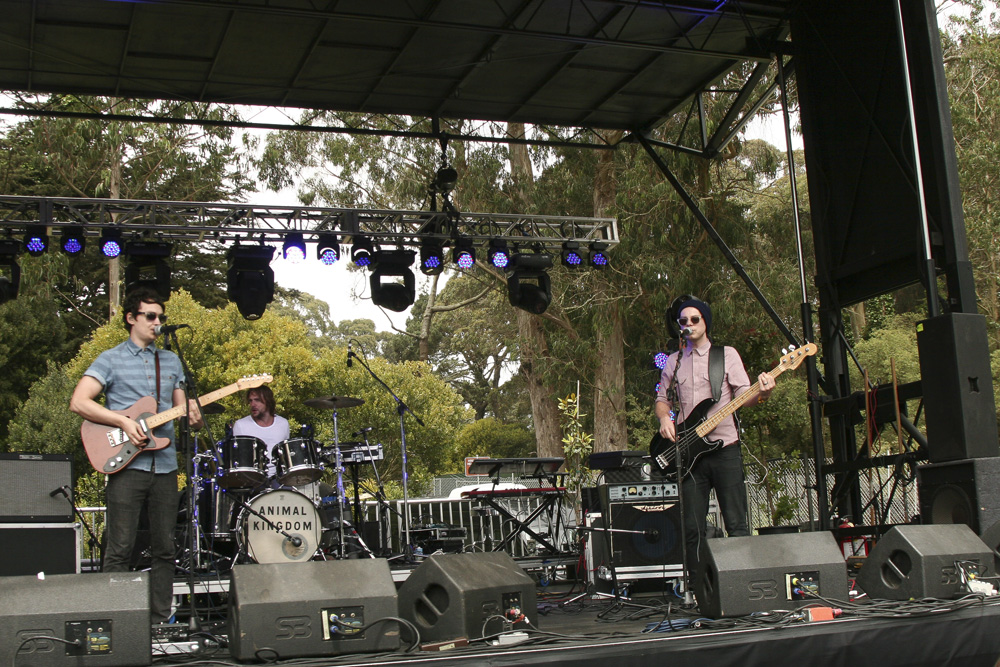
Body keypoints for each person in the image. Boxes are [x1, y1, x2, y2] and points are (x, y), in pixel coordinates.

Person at [70, 288, 204, 624]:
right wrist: (122, 421)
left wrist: (194, 415)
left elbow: (182, 411)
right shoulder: (110, 358)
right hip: (126, 465)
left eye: (161, 317)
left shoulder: (171, 361)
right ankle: (115, 621)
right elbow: (79, 402)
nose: (157, 322)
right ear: (131, 318)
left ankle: (159, 621)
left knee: (165, 548)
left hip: (165, 465)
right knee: (120, 547)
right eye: (150, 316)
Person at [654, 297, 774, 577]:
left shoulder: (726, 355)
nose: (689, 324)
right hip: (688, 454)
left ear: (705, 322)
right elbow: (662, 399)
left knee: (736, 523)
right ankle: (699, 588)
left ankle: (742, 583)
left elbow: (744, 396)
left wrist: (763, 393)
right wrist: (664, 419)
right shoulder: (673, 361)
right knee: (692, 528)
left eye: (695, 319)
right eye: (684, 321)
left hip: (724, 449)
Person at [231, 385, 289, 479]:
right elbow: (238, 459)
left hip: (279, 477)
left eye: (257, 400)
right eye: (250, 401)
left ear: (268, 401)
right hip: (252, 478)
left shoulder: (283, 423)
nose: (253, 404)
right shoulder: (240, 425)